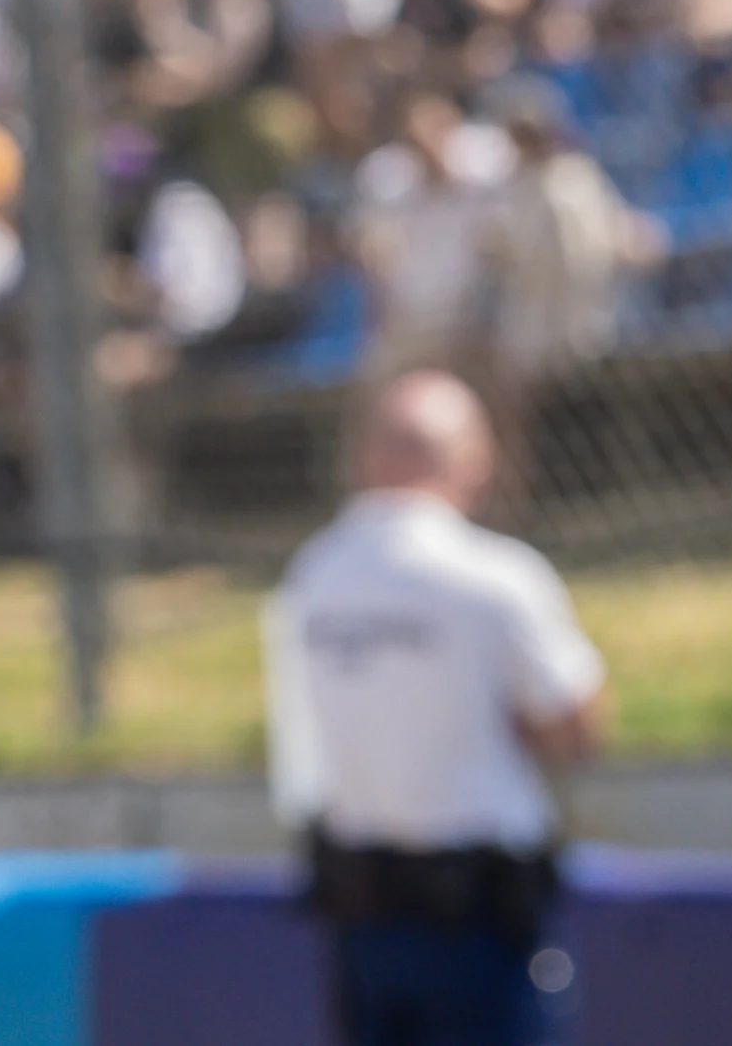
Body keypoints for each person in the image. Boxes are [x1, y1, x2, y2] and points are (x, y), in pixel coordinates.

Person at [266, 372, 607, 1046]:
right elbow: (576, 725)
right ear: (469, 457)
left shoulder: (312, 576)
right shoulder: (493, 578)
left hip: (361, 915)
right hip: (475, 926)